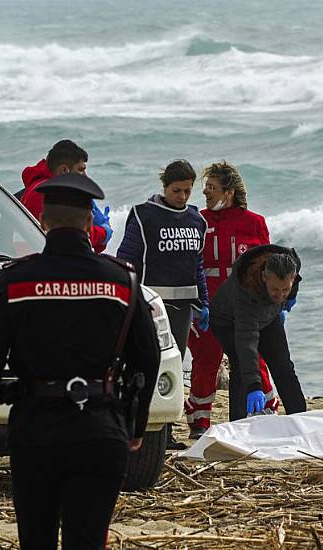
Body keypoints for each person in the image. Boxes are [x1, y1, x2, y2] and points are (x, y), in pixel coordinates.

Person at [0, 173, 160, 549]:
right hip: (100, 429)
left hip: (36, 429)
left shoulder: (14, 282)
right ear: (89, 223)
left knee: (36, 540)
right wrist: (135, 425)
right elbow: (146, 361)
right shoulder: (122, 281)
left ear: (42, 221)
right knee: (86, 540)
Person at [185, 161, 281, 439]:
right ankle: (199, 423)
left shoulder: (254, 223)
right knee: (205, 362)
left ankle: (265, 414)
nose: (205, 193)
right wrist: (194, 304)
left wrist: (275, 304)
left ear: (229, 192)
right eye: (205, 188)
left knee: (254, 360)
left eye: (212, 188)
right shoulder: (198, 221)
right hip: (207, 307)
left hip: (246, 310)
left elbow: (269, 267)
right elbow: (188, 264)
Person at [117, 159, 208, 450]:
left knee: (173, 367)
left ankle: (165, 432)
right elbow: (127, 259)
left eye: (187, 191)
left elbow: (198, 266)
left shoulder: (197, 220)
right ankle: (138, 428)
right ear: (165, 187)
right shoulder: (145, 216)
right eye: (176, 190)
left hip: (182, 308)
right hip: (151, 307)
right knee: (145, 366)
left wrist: (203, 302)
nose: (182, 196)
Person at [209, 244, 307, 421]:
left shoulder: (291, 265)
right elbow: (246, 343)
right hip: (227, 321)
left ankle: (300, 418)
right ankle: (238, 424)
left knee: (283, 366)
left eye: (285, 289)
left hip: (268, 316)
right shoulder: (246, 289)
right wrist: (255, 386)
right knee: (241, 365)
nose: (280, 295)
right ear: (264, 277)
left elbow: (295, 280)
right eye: (275, 289)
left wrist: (291, 296)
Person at [20, 139, 113, 253]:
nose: (85, 176)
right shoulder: (46, 193)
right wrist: (103, 233)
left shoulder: (38, 187)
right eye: (80, 170)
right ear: (64, 170)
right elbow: (71, 236)